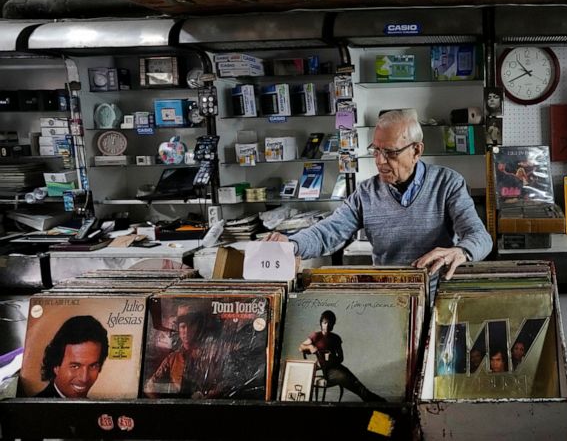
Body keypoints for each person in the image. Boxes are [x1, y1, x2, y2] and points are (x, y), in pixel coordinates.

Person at [266, 109, 492, 282]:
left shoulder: (447, 183)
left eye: (391, 153)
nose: (380, 161)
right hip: (388, 293)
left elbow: (479, 236)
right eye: (376, 150)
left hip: (438, 295)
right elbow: (329, 231)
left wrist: (460, 251)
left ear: (416, 151)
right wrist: (291, 244)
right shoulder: (366, 192)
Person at [299, 310, 383, 402]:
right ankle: (377, 402)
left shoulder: (336, 338)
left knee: (357, 385)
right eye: (324, 323)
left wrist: (332, 358)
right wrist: (310, 346)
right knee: (351, 382)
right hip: (328, 371)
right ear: (321, 323)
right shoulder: (316, 336)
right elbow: (301, 347)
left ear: (333, 325)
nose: (326, 326)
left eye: (329, 323)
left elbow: (341, 358)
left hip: (337, 367)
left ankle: (378, 402)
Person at [144, 308, 215, 398]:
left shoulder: (210, 355)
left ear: (198, 328)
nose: (187, 331)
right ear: (179, 330)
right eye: (183, 326)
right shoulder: (172, 358)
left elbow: (221, 384)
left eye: (191, 326)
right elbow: (150, 387)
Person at [36, 315, 109, 398]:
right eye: (75, 366)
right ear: (56, 366)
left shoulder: (98, 409)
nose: (84, 378)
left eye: (93, 366)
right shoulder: (33, 407)